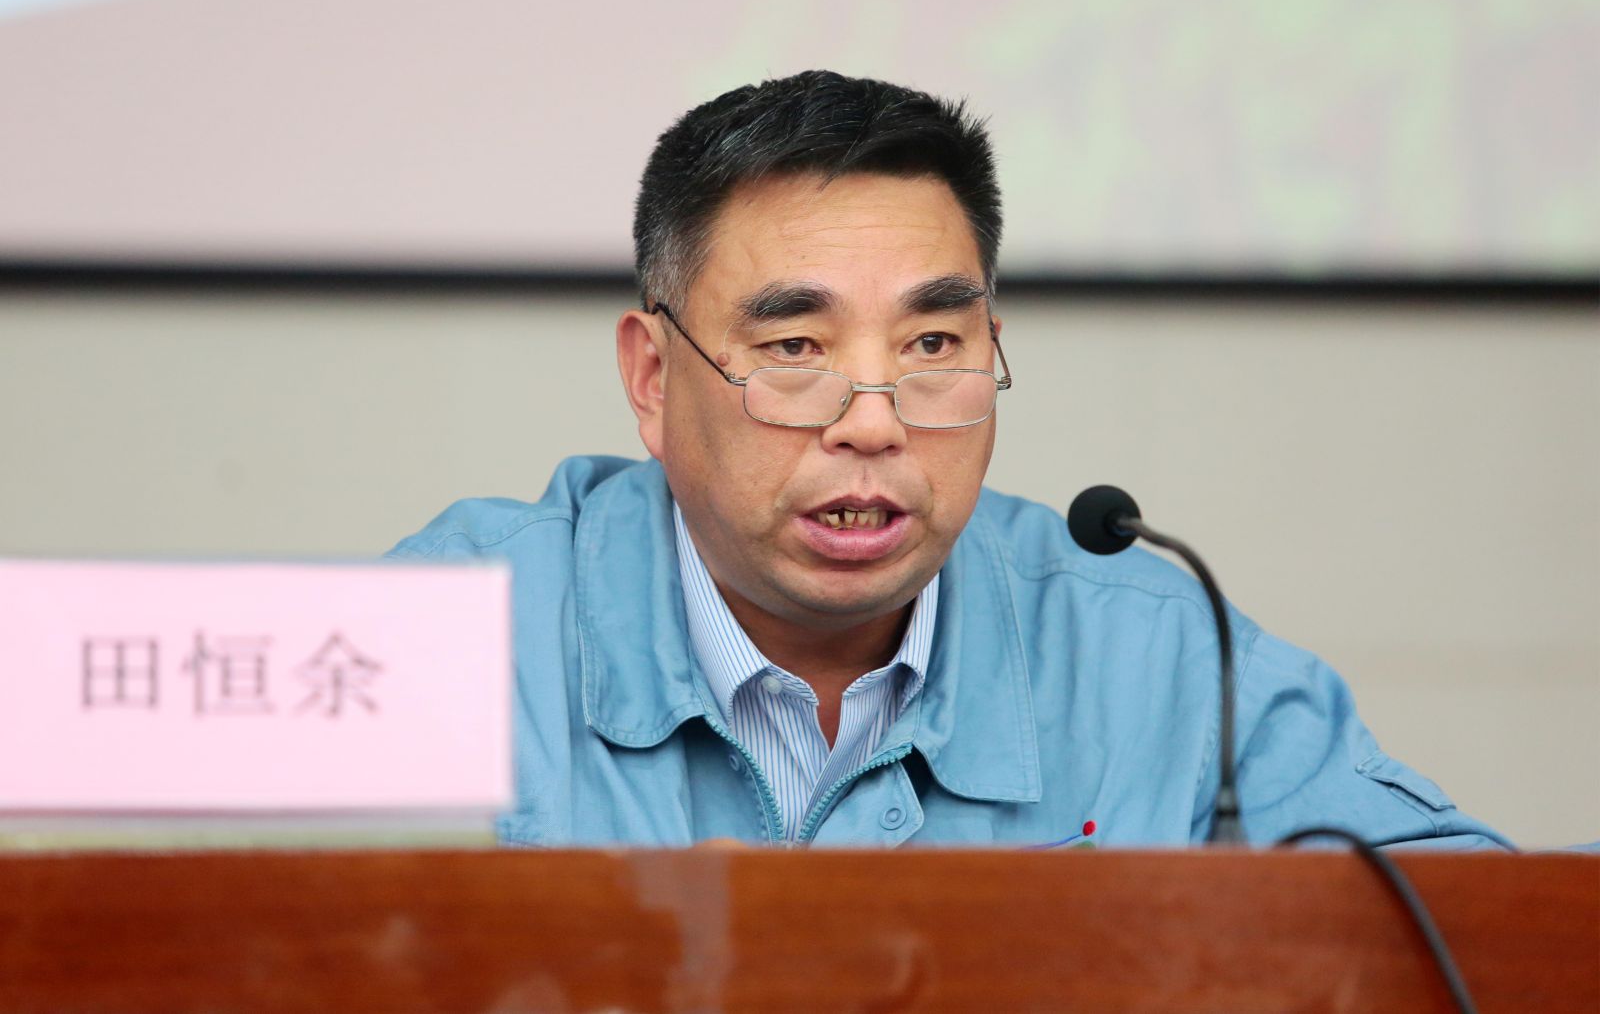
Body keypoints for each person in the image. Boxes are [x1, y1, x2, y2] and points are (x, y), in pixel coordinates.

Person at [389, 71, 1509, 849]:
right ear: (651, 377)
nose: (874, 424)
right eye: (796, 348)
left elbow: (1485, 935)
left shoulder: (1149, 654)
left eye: (932, 345)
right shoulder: (453, 631)